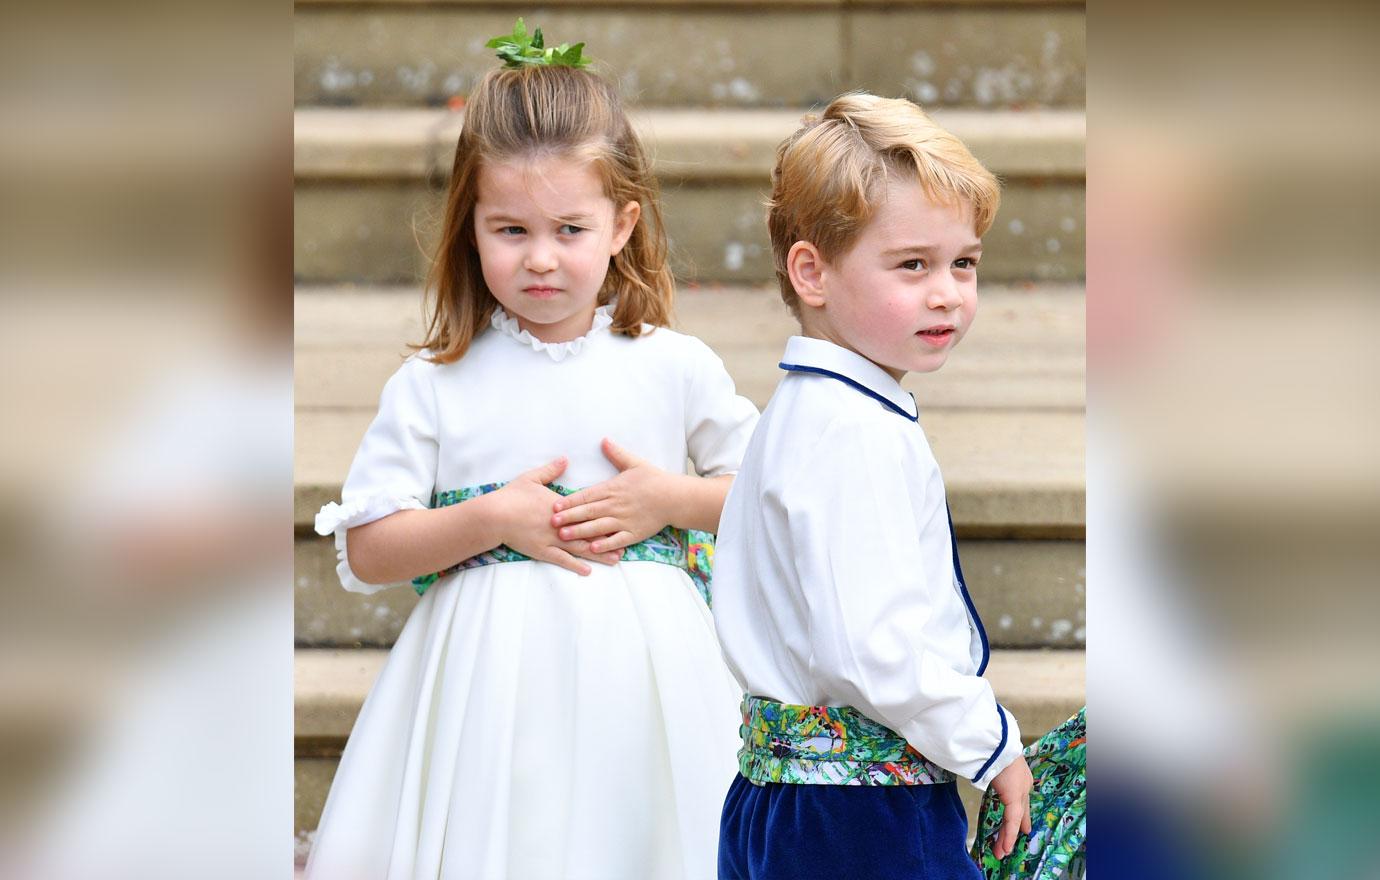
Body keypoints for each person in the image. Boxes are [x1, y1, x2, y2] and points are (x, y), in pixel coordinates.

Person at [306, 23, 758, 879]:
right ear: (469, 228)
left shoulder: (671, 363)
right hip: (487, 700)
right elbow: (368, 549)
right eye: (510, 230)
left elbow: (772, 490)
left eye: (570, 229)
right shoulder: (437, 383)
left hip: (652, 691)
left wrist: (669, 500)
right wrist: (488, 519)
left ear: (622, 224)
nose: (541, 258)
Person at [712, 92, 1034, 879]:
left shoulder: (801, 410)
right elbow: (877, 648)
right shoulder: (856, 432)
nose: (947, 293)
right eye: (912, 264)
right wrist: (989, 744)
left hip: (779, 800)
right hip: (859, 817)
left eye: (965, 262)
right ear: (811, 271)